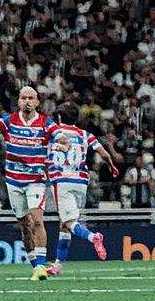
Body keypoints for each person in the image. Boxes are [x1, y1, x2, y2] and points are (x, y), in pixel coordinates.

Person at [0, 86, 66, 281]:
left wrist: (62, 144)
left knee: (37, 220)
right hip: (13, 181)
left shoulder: (45, 123)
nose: (27, 101)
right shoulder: (10, 121)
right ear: (18, 101)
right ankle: (35, 264)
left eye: (31, 98)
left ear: (37, 102)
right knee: (24, 225)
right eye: (23, 97)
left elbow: (61, 137)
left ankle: (42, 266)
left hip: (35, 181)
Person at [45, 104, 119, 276]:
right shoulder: (85, 134)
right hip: (81, 182)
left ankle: (94, 237)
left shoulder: (53, 132)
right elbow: (104, 154)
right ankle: (57, 265)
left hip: (63, 180)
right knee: (65, 224)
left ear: (60, 118)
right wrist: (112, 166)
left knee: (69, 222)